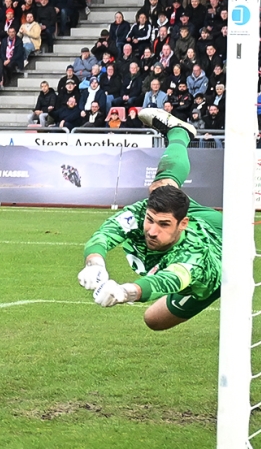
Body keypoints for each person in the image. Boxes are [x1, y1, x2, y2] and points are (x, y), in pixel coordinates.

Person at [79, 108, 221, 330]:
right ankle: (180, 132)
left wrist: (125, 292)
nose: (152, 231)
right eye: (150, 220)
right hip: (189, 219)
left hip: (219, 245)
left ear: (183, 223)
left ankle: (219, 284)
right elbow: (106, 234)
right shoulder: (143, 212)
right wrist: (94, 263)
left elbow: (166, 281)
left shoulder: (195, 256)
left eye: (163, 225)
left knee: (154, 319)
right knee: (161, 187)